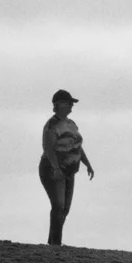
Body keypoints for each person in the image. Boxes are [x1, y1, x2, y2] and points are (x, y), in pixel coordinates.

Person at [39, 90, 94, 246]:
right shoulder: (52, 125)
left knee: (65, 208)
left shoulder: (71, 124)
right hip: (53, 169)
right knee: (58, 206)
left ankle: (54, 241)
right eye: (68, 103)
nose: (71, 106)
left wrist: (87, 163)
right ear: (59, 105)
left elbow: (77, 146)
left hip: (70, 170)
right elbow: (48, 148)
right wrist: (56, 168)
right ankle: (55, 243)